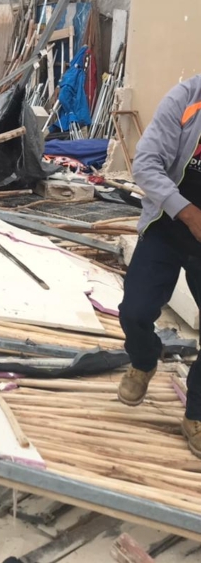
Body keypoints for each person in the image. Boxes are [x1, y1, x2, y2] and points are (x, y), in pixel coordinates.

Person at [117, 77, 201, 458]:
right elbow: (146, 163)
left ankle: (195, 414)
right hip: (167, 228)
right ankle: (144, 361)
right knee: (134, 312)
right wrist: (186, 212)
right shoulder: (187, 99)